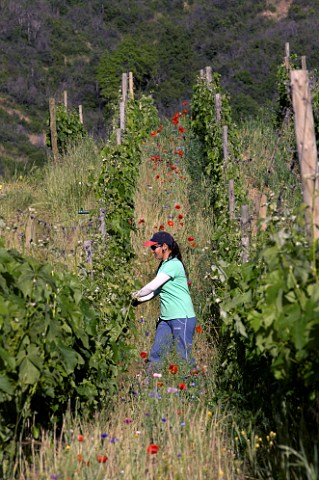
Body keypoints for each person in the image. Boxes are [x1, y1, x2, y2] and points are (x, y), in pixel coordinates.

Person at [132, 231, 197, 366]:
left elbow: (152, 286)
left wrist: (136, 294)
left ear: (165, 247)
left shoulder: (173, 264)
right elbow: (156, 291)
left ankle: (192, 384)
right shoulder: (163, 265)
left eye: (154, 247)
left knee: (183, 357)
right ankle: (151, 384)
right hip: (165, 319)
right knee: (157, 354)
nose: (153, 251)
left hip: (182, 317)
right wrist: (139, 300)